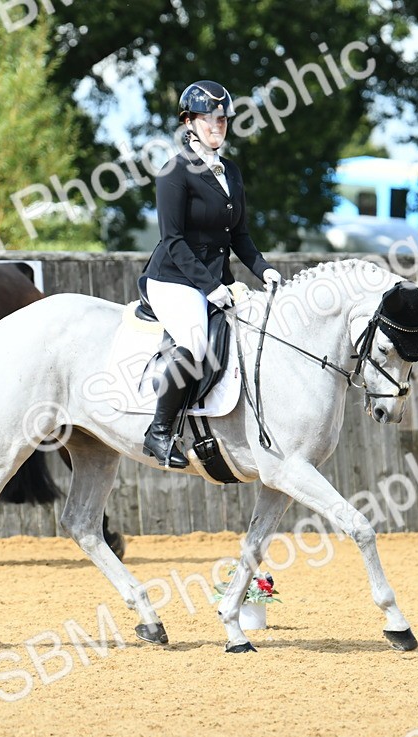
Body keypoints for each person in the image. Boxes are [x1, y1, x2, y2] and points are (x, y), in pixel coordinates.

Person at [138, 80, 283, 468]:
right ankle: (159, 432)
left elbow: (240, 235)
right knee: (194, 341)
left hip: (216, 281)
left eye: (223, 119)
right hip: (173, 279)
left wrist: (264, 270)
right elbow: (172, 240)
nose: (218, 125)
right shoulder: (174, 171)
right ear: (189, 122)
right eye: (209, 119)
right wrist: (212, 286)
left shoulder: (231, 172)